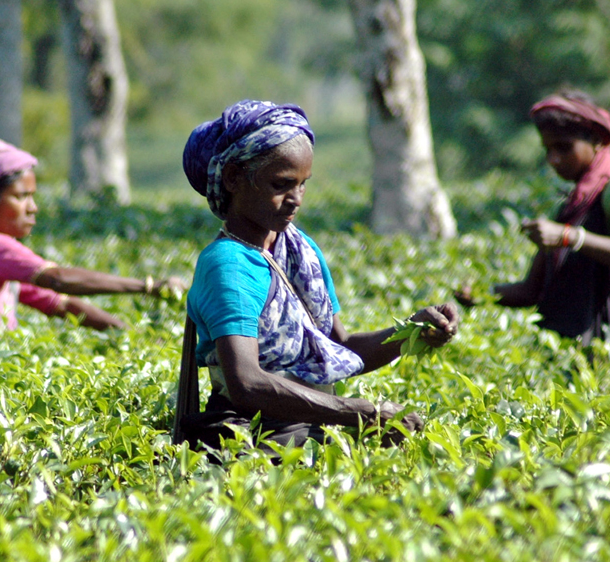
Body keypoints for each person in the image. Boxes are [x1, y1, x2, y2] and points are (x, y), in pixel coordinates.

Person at [180, 100, 460, 450]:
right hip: (257, 438)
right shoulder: (228, 265)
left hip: (315, 424)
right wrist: (360, 414)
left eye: (302, 184)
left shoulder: (300, 250)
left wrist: (411, 331)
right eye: (281, 184)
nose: (296, 199)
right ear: (234, 178)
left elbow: (338, 346)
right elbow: (246, 382)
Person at [457, 90, 610, 343]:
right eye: (548, 149)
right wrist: (476, 293)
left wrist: (569, 237)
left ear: (597, 141)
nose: (553, 159)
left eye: (564, 148)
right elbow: (530, 290)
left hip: (608, 340)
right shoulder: (572, 206)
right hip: (566, 341)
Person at [0, 137, 187, 332]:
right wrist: (148, 287)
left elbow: (61, 304)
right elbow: (57, 279)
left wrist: (128, 334)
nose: (33, 207)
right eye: (21, 196)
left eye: (33, 196)